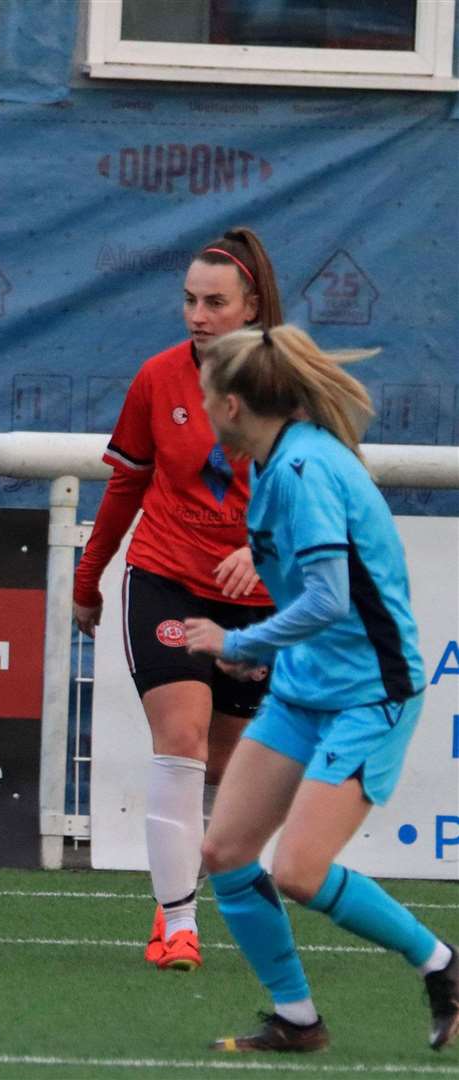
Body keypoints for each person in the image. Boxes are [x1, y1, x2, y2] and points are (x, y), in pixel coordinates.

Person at [183, 324, 456, 1053]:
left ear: (235, 404)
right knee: (224, 853)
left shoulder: (304, 469)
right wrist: (266, 655)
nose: (203, 410)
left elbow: (330, 599)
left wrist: (236, 642)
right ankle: (296, 1019)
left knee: (299, 871)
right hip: (305, 689)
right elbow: (313, 600)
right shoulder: (278, 461)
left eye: (207, 398)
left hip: (370, 695)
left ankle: (442, 965)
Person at [73, 227, 284, 971]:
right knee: (182, 738)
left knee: (226, 765)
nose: (197, 315)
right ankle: (175, 925)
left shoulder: (289, 382)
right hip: (163, 576)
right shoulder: (157, 377)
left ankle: (227, 884)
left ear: (249, 305)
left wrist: (261, 550)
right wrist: (87, 574)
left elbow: (324, 497)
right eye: (189, 300)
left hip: (257, 600)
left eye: (214, 302)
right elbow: (127, 480)